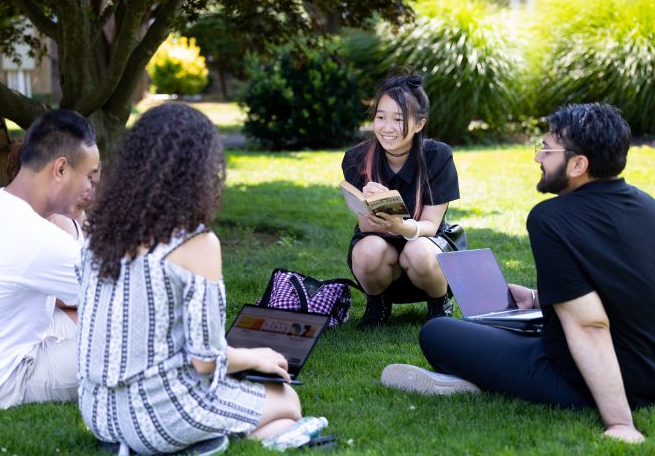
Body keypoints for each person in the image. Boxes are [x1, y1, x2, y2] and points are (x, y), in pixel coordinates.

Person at [381, 103, 654, 443]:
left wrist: (620, 423)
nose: (538, 158)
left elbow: (590, 325)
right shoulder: (647, 205)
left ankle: (467, 385)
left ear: (578, 164)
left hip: (579, 379)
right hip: (648, 371)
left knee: (437, 332)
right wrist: (541, 300)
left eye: (547, 149)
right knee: (506, 327)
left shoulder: (551, 218)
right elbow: (632, 288)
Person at [77, 103, 327, 454]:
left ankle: (198, 442)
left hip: (98, 412)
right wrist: (256, 358)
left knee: (272, 411)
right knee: (286, 400)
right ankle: (194, 444)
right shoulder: (196, 243)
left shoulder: (100, 234)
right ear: (201, 171)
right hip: (158, 414)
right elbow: (204, 360)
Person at [0, 109, 100, 410]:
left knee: (89, 318)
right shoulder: (37, 237)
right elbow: (126, 298)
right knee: (127, 342)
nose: (89, 189)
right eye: (87, 177)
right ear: (60, 169)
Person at [342, 73, 461, 329]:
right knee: (366, 252)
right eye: (380, 117)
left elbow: (430, 224)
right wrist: (376, 204)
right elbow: (366, 227)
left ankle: (439, 303)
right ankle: (378, 304)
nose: (387, 127)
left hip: (426, 244)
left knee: (417, 251)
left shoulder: (437, 156)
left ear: (419, 124)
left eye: (398, 119)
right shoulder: (356, 159)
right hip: (382, 247)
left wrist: (402, 227)